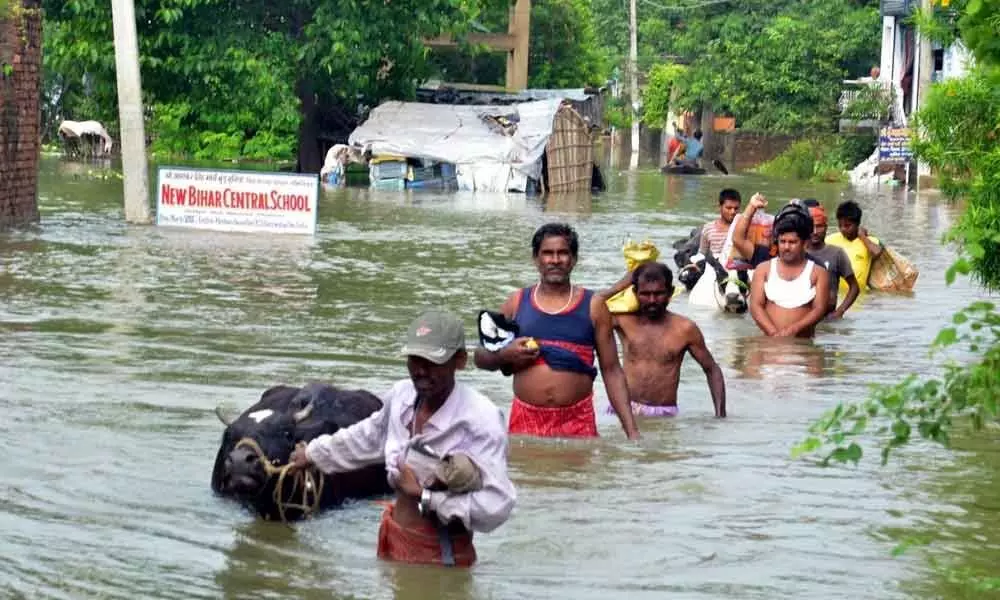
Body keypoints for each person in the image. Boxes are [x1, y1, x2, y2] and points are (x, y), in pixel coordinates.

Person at [289, 310, 516, 568]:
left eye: (432, 361)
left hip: (443, 557)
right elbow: (368, 437)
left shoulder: (480, 419)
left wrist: (425, 496)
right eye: (414, 359)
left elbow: (497, 505)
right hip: (394, 535)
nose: (420, 370)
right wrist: (312, 454)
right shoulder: (402, 396)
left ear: (460, 360)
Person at [473, 223, 640, 440]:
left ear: (574, 259)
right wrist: (505, 354)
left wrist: (632, 432)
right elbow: (480, 357)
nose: (555, 260)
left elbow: (612, 371)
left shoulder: (594, 306)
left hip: (578, 423)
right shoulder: (517, 302)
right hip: (525, 424)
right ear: (536, 259)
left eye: (562, 253)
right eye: (547, 253)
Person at [597, 262, 726, 417]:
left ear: (670, 293)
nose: (652, 300)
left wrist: (720, 415)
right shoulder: (623, 321)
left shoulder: (685, 329)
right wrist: (620, 286)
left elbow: (712, 369)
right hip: (624, 409)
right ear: (635, 293)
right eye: (645, 294)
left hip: (664, 414)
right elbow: (590, 307)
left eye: (659, 294)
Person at [749, 203, 830, 338]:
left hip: (803, 345)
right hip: (770, 344)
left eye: (792, 242)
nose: (786, 247)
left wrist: (793, 330)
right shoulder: (763, 270)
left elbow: (819, 309)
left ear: (805, 244)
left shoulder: (818, 273)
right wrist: (774, 334)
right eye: (782, 241)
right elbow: (755, 306)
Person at [800, 199, 860, 318]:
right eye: (812, 227)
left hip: (828, 319)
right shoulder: (797, 252)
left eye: (819, 227)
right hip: (802, 315)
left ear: (826, 227)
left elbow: (854, 287)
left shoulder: (836, 253)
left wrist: (840, 312)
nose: (815, 232)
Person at [826, 200, 883, 292]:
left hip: (859, 296)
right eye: (840, 225)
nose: (843, 229)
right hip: (836, 295)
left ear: (857, 224)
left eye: (847, 225)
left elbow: (877, 252)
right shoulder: (830, 240)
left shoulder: (870, 241)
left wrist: (863, 237)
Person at [698, 188, 742, 259]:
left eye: (736, 208)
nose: (733, 212)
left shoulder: (743, 228)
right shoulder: (708, 229)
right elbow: (702, 255)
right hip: (714, 266)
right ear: (720, 207)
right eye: (728, 208)